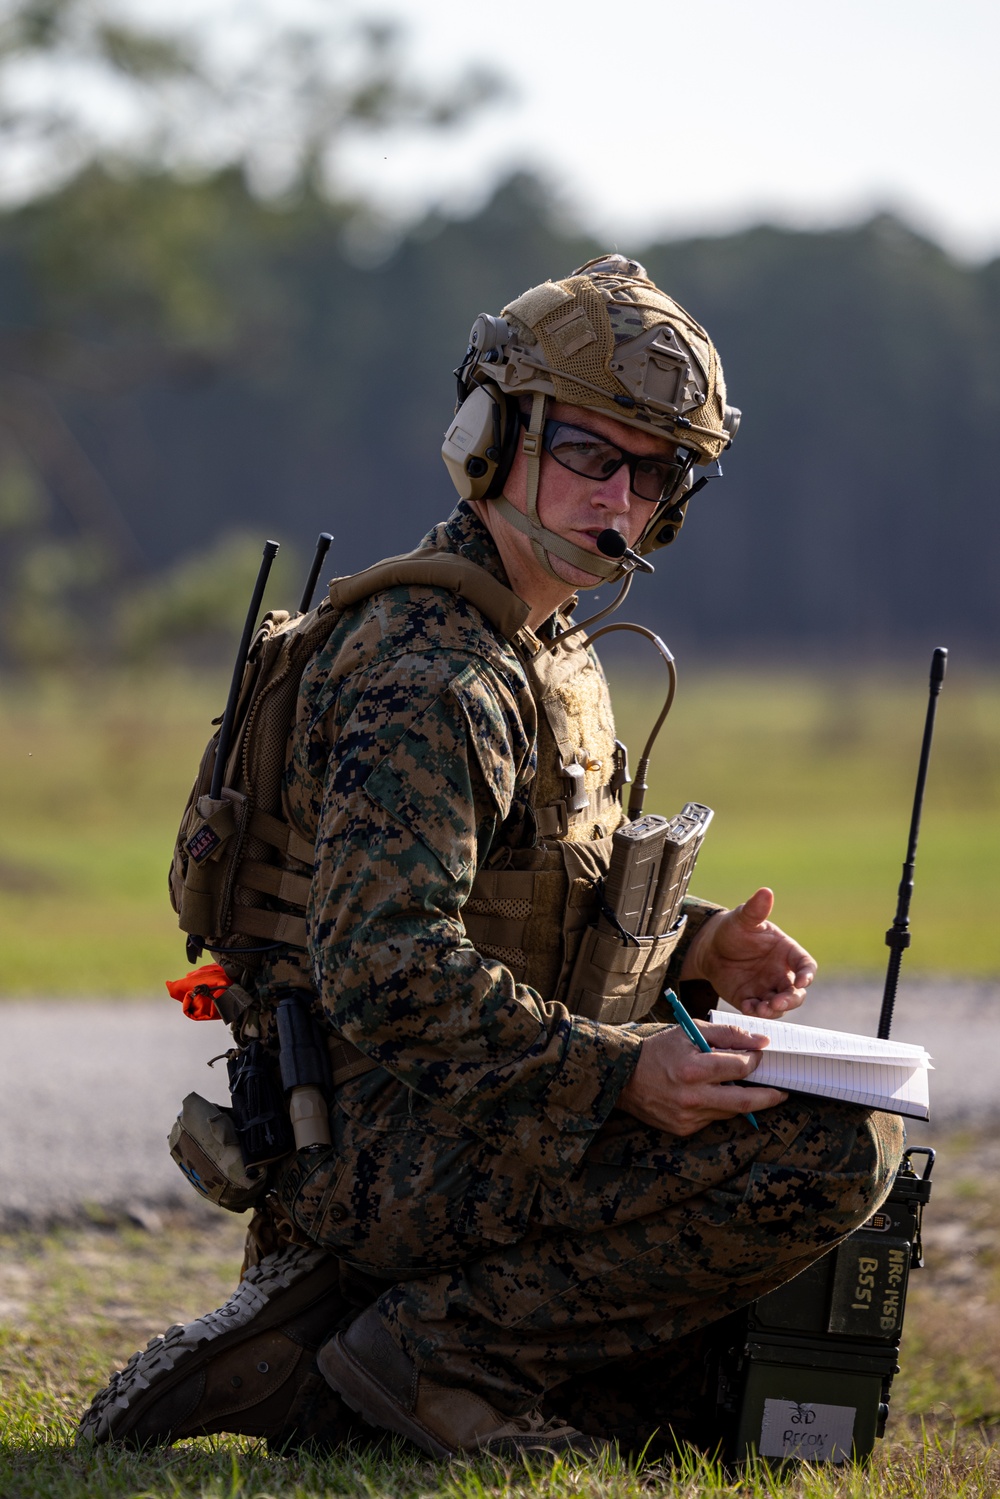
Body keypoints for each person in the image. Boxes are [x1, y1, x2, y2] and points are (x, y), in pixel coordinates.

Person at [78, 255, 903, 1459]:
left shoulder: (542, 643)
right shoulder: (433, 672)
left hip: (468, 1122)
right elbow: (388, 966)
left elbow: (528, 909)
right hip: (382, 1146)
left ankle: (337, 1363)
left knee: (679, 1407)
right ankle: (425, 1353)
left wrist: (700, 942)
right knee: (834, 1146)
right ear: (491, 433)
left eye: (656, 470)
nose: (619, 497)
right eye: (587, 453)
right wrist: (625, 1076)